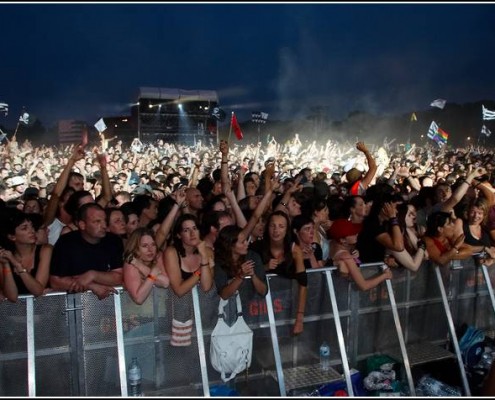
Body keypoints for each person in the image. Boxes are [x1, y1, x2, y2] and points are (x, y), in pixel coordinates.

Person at [50, 203, 123, 300]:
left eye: (105, 221)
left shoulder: (113, 241)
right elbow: (55, 282)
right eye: (97, 221)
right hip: (73, 303)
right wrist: (91, 286)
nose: (104, 226)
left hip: (109, 301)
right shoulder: (66, 242)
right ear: (82, 225)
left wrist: (92, 275)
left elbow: (119, 277)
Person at [250, 210, 307, 335]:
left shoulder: (294, 250)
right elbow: (247, 273)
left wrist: (299, 318)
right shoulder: (256, 247)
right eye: (272, 225)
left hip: (286, 304)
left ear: (287, 230)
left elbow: (303, 284)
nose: (276, 230)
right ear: (267, 227)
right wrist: (264, 267)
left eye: (281, 226)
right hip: (259, 302)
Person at [163, 213, 213, 347]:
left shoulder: (207, 252)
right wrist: (199, 272)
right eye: (186, 230)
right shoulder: (171, 252)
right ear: (179, 235)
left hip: (203, 312)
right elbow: (179, 290)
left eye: (195, 228)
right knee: (182, 358)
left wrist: (203, 257)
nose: (192, 233)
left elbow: (206, 286)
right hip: (179, 315)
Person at [0, 210, 52, 301]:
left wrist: (17, 265)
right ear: (12, 237)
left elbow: (38, 291)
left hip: (45, 309)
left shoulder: (45, 250)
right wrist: (6, 264)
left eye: (32, 226)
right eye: (24, 228)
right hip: (16, 313)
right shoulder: (5, 257)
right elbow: (12, 297)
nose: (31, 231)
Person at [328, 218, 392, 291]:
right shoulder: (346, 256)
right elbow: (364, 286)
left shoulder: (331, 245)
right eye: (352, 233)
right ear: (342, 240)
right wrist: (385, 275)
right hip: (344, 295)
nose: (356, 234)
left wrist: (355, 257)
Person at [214, 224, 267, 301]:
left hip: (252, 307)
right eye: (242, 242)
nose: (247, 243)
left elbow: (263, 291)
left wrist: (253, 275)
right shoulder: (219, 263)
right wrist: (241, 276)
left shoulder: (252, 257)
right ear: (230, 245)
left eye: (246, 240)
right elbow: (223, 295)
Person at [123, 227, 169, 305]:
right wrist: (152, 275)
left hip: (160, 312)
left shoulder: (158, 256)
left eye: (153, 244)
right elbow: (138, 299)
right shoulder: (130, 264)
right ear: (136, 248)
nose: (150, 249)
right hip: (136, 314)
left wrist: (140, 266)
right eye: (145, 246)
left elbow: (165, 282)